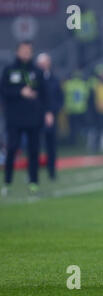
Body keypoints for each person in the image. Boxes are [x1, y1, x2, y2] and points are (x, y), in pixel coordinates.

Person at [0, 41, 51, 196]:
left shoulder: (37, 72)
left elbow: (44, 94)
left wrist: (48, 112)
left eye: (28, 51)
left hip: (33, 117)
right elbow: (3, 92)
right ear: (17, 52)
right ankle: (7, 182)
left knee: (34, 151)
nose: (25, 53)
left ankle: (33, 182)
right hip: (14, 117)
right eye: (23, 50)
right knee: (12, 149)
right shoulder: (9, 71)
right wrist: (20, 92)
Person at [36, 53, 64, 180]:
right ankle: (34, 172)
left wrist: (52, 112)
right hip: (36, 117)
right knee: (34, 146)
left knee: (51, 146)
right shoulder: (33, 79)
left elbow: (59, 98)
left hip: (52, 117)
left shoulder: (54, 79)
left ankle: (52, 172)